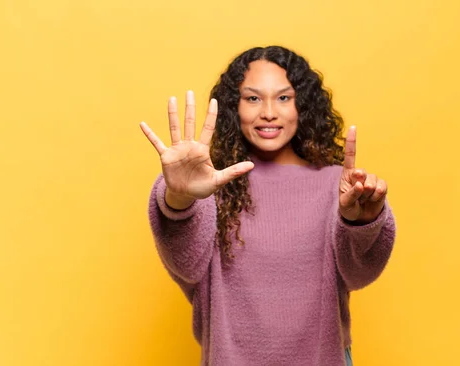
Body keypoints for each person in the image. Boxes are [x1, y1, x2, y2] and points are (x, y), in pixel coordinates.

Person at [139, 45, 396, 366]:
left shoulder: (338, 185)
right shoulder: (211, 182)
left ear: (303, 105)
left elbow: (359, 274)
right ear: (234, 106)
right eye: (253, 98)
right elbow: (186, 265)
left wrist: (362, 221)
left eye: (284, 98)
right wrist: (180, 196)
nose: (269, 112)